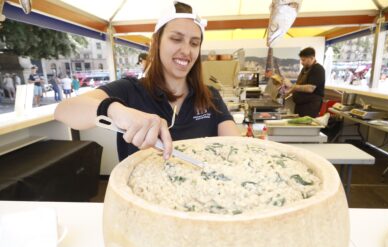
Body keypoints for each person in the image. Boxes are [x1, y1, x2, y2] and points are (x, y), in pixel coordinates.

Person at [55, 1, 240, 161]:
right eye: (176, 39)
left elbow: (237, 149)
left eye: (194, 43)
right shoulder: (130, 90)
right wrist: (115, 110)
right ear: (157, 42)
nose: (186, 50)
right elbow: (64, 110)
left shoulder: (210, 97)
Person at [286, 47, 325, 118]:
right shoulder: (304, 69)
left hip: (310, 106)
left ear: (312, 58)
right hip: (300, 104)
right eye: (301, 60)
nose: (302, 62)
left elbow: (310, 88)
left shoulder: (318, 69)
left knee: (306, 127)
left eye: (303, 60)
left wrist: (291, 85)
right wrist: (287, 94)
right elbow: (298, 85)